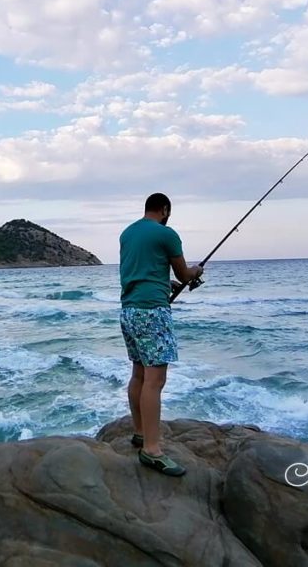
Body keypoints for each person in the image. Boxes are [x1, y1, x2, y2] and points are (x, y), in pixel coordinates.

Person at [119, 192, 203, 476]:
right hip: (152, 312)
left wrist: (162, 283)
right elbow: (183, 274)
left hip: (129, 310)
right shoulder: (166, 234)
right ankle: (152, 451)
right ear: (165, 209)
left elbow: (142, 271)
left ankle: (141, 432)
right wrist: (196, 271)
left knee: (139, 374)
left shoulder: (127, 234)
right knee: (155, 381)